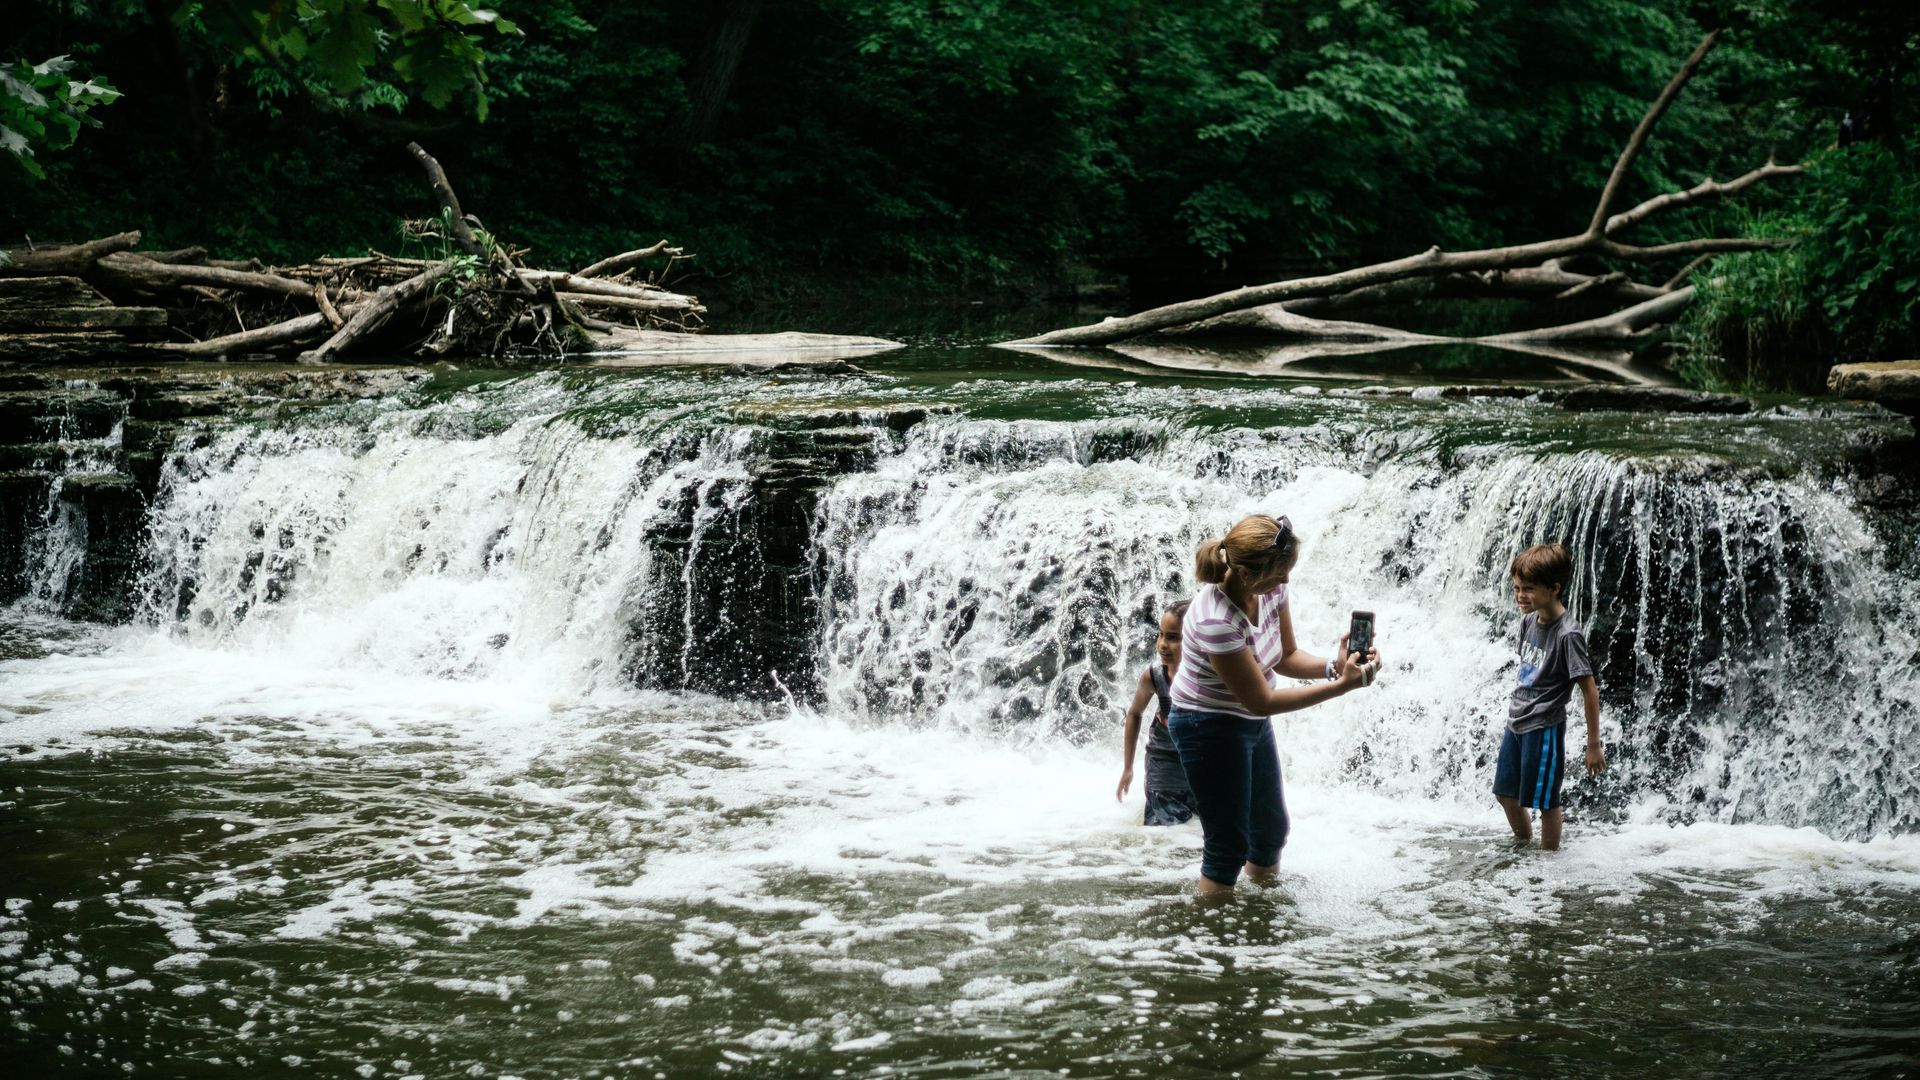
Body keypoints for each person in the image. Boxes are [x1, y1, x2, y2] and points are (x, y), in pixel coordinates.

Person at [1166, 513, 1379, 897]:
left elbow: (1286, 655)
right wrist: (1343, 687)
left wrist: (1336, 665)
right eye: (1280, 575)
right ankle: (1211, 943)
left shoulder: (1269, 589)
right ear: (1247, 575)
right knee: (1227, 846)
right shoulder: (1216, 619)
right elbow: (1260, 700)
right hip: (1206, 725)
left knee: (1270, 832)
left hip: (1248, 719)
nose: (1285, 582)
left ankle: (1261, 918)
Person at [1494, 543, 1606, 851]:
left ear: (1554, 588)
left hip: (1544, 727)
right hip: (1516, 721)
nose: (1520, 596)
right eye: (1516, 588)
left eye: (1528, 589)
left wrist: (1593, 744)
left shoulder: (1568, 634)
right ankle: (1523, 844)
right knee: (1505, 794)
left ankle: (1548, 861)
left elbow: (1589, 690)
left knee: (1546, 801)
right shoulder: (1529, 620)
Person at [1116, 600, 1197, 826]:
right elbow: (1134, 714)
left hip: (1199, 763)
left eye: (1173, 637)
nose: (1162, 644)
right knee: (1163, 830)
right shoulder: (1154, 676)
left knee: (1201, 829)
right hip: (1163, 763)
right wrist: (1128, 767)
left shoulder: (1210, 677)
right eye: (1160, 635)